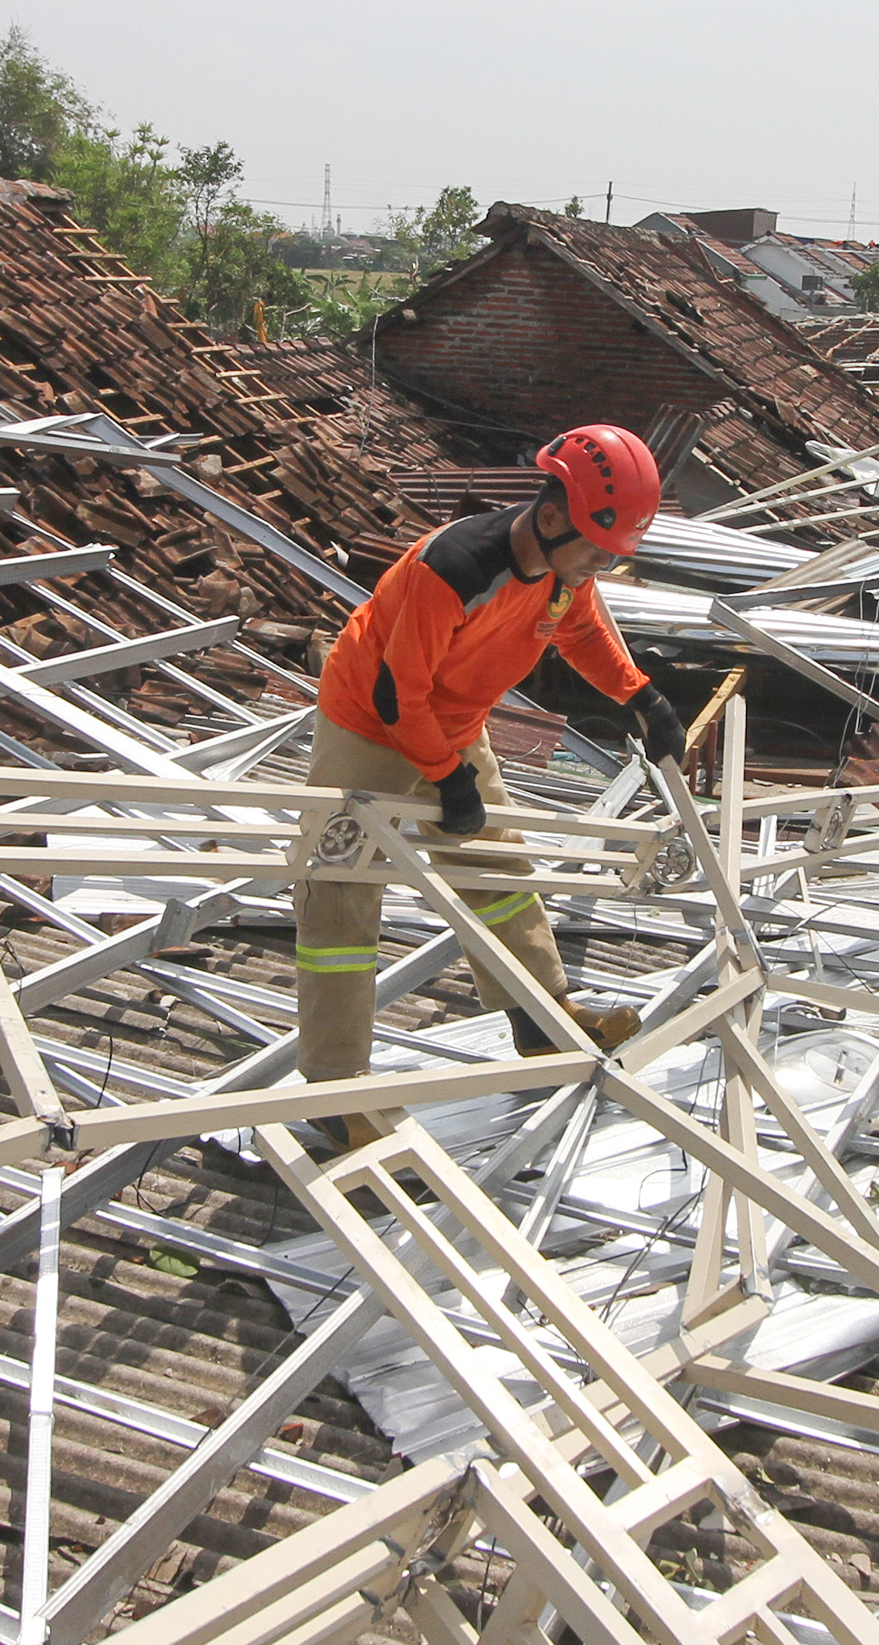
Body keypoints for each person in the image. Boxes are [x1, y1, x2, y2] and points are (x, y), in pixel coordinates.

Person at [297, 424, 695, 1129]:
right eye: (597, 551)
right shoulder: (453, 568)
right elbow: (397, 696)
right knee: (341, 897)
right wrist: (447, 778)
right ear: (549, 517)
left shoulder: (565, 569)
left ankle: (540, 1018)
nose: (599, 567)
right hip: (369, 725)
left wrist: (642, 696)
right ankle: (335, 1090)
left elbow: (581, 631)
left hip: (451, 723)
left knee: (499, 872)